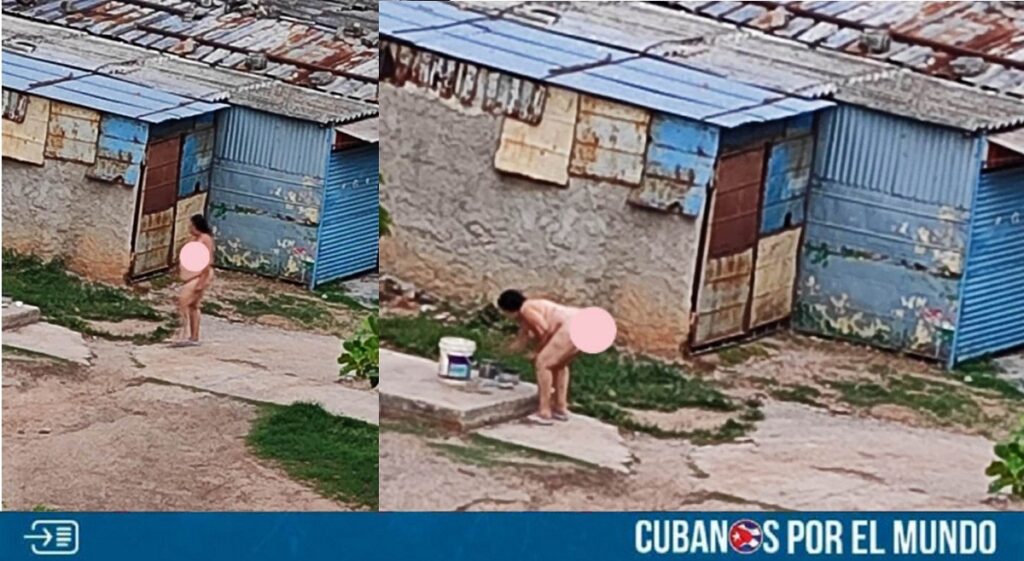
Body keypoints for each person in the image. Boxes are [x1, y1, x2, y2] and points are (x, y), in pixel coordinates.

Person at [497, 289, 581, 425]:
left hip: (569, 327)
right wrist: (504, 353)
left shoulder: (526, 309)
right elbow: (522, 339)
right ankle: (560, 407)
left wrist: (538, 352)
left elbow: (544, 330)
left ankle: (544, 411)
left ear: (508, 309)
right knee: (559, 365)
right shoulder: (530, 309)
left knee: (543, 364)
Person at [174, 214, 215, 346]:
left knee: (183, 302)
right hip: (192, 276)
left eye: (191, 225)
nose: (189, 228)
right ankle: (193, 337)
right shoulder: (194, 239)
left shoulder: (205, 239)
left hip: (199, 276)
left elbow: (207, 261)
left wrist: (202, 282)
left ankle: (181, 335)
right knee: (193, 306)